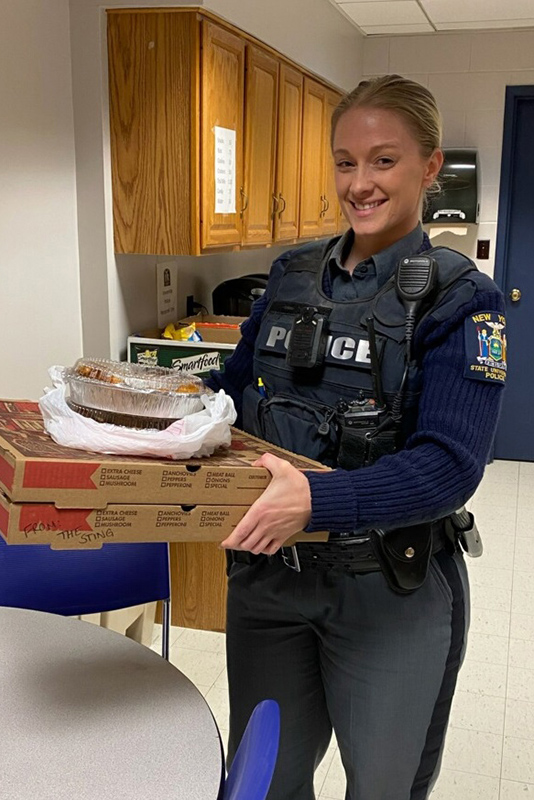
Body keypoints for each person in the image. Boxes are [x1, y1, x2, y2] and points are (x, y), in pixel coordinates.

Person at [208, 75, 506, 800]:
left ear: (429, 167)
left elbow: (449, 467)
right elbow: (229, 394)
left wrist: (315, 500)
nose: (360, 183)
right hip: (270, 583)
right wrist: (146, 415)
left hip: (390, 590)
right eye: (346, 161)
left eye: (383, 160)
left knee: (381, 788)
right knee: (264, 785)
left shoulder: (464, 298)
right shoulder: (289, 274)